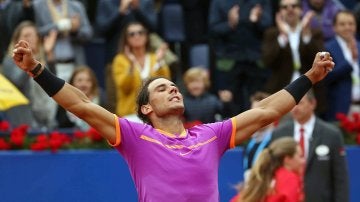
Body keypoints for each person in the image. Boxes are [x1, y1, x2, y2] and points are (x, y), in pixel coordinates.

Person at [11, 38, 334, 201]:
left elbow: (266, 111)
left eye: (174, 86)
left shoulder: (212, 134)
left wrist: (309, 77)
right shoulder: (134, 136)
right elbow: (81, 105)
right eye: (162, 89)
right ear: (147, 109)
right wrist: (37, 69)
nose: (173, 90)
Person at [271, 90, 349, 202]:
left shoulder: (331, 134)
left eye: (300, 103)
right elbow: (273, 169)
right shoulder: (279, 133)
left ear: (313, 104)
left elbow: (340, 177)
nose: (295, 108)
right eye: (293, 104)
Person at [262, 0, 327, 117]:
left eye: (294, 6)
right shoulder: (272, 33)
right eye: (285, 7)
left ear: (301, 9)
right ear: (279, 12)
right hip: (281, 88)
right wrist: (283, 37)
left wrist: (306, 35)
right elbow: (267, 61)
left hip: (310, 89)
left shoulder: (314, 32)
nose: (289, 9)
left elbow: (320, 59)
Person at [109, 21, 170, 122]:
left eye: (140, 32)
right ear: (126, 39)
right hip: (130, 115)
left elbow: (166, 83)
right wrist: (132, 66)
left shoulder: (155, 57)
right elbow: (125, 88)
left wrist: (159, 62)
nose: (137, 36)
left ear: (146, 36)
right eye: (132, 34)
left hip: (155, 113)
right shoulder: (120, 60)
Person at [2, 21, 57, 129]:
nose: (30, 38)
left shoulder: (42, 59)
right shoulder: (9, 61)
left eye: (34, 35)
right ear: (16, 40)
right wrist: (31, 61)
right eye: (26, 35)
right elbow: (18, 82)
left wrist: (49, 56)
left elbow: (54, 84)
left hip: (46, 117)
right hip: (23, 119)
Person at [232, 137, 305, 202]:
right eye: (300, 156)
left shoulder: (264, 176)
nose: (303, 161)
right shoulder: (289, 179)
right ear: (287, 159)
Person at [324, 10, 360, 121]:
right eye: (342, 24)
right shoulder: (327, 48)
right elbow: (327, 77)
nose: (347, 27)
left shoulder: (359, 46)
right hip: (340, 108)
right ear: (334, 27)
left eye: (351, 24)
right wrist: (350, 61)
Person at [56, 66, 105, 130]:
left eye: (88, 81)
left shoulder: (101, 100)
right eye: (79, 80)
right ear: (72, 83)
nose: (84, 84)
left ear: (93, 83)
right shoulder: (63, 103)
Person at [242, 92, 274, 178]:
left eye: (258, 112)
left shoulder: (276, 140)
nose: (254, 116)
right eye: (252, 112)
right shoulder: (247, 140)